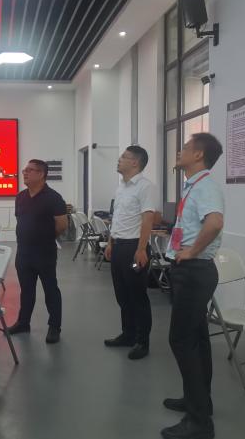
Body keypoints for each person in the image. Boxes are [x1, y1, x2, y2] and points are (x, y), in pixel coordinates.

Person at [161, 133, 225, 439]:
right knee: (197, 339)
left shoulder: (206, 186)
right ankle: (199, 401)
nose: (179, 151)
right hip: (191, 271)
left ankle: (199, 422)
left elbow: (214, 223)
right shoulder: (194, 186)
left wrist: (191, 251)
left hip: (194, 271)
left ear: (198, 155)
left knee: (181, 341)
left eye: (185, 147)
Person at [103, 145, 156, 360]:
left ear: (135, 162)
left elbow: (148, 219)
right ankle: (128, 334)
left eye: (124, 157)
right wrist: (110, 242)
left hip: (135, 249)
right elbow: (117, 218)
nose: (119, 159)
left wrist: (141, 249)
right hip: (118, 248)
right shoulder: (121, 187)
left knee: (137, 295)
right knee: (122, 295)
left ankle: (143, 341)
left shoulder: (145, 187)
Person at [8, 159, 69, 344]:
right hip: (23, 252)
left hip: (45, 252)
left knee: (50, 290)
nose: (24, 173)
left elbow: (62, 224)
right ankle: (23, 322)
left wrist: (45, 237)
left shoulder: (53, 198)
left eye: (30, 170)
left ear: (41, 174)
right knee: (26, 290)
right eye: (24, 170)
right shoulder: (21, 196)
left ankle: (54, 327)